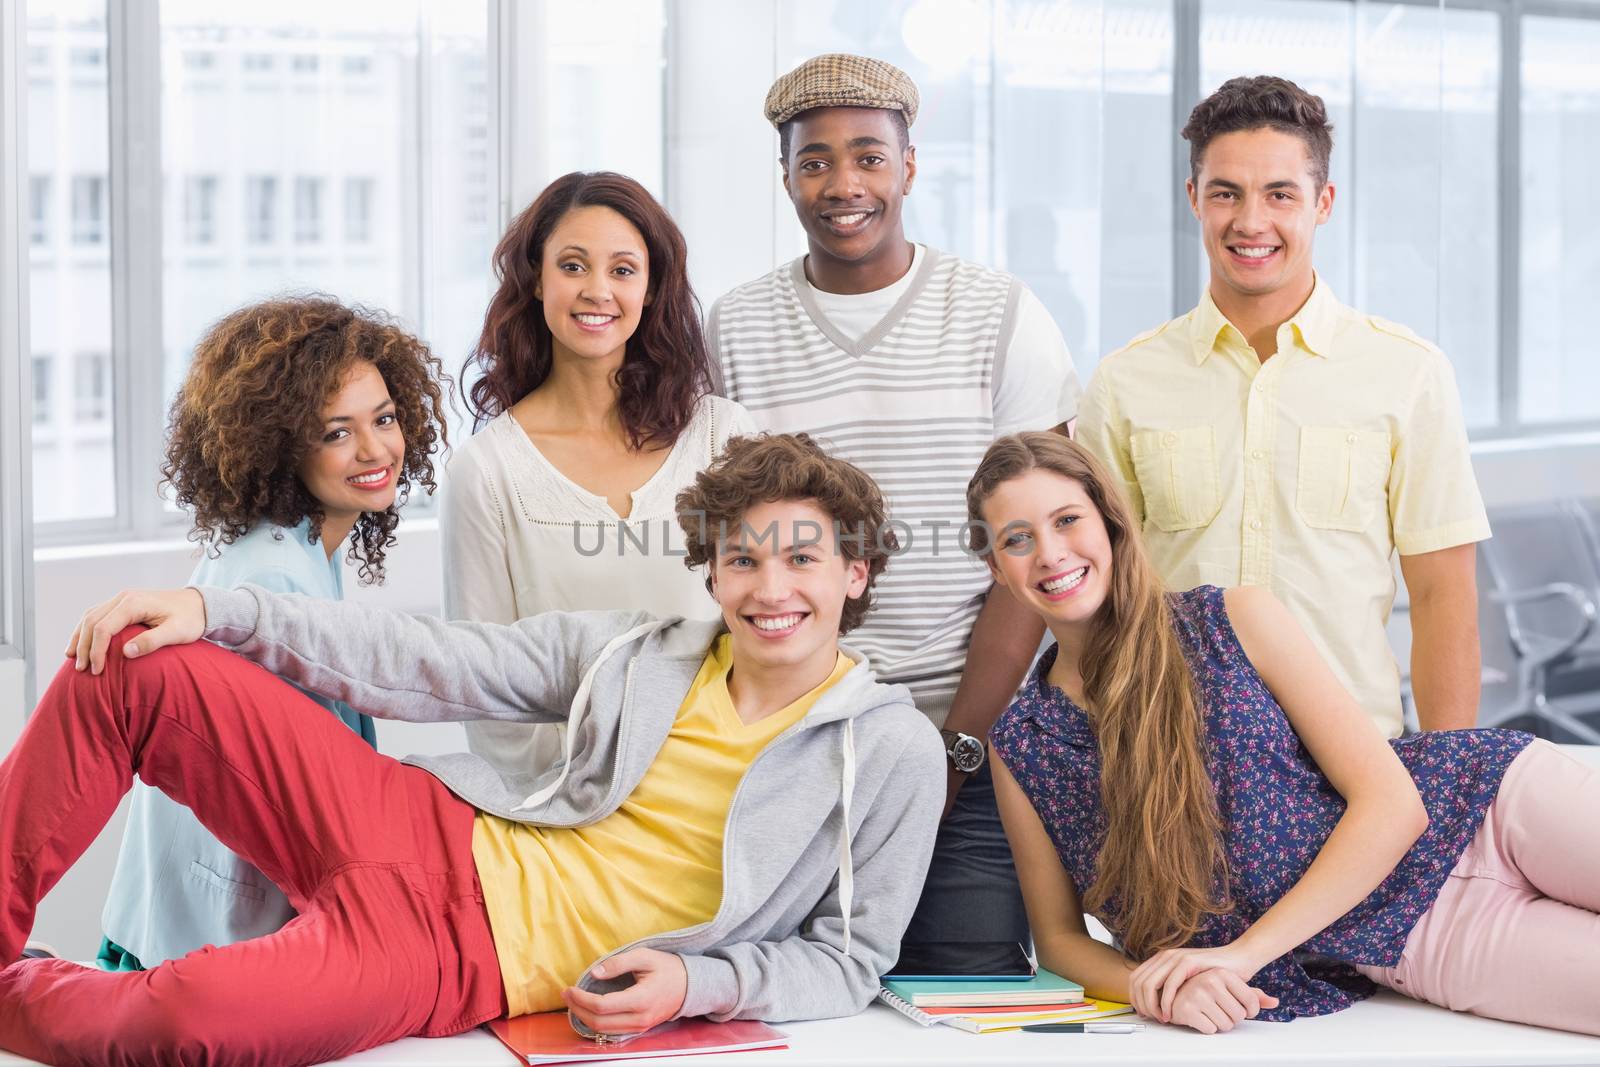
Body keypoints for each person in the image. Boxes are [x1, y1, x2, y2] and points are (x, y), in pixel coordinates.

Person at [0, 433, 943, 1067]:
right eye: (743, 557)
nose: (770, 586)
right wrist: (219, 609)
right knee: (132, 662)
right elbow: (434, 659)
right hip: (416, 822)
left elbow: (851, 958)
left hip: (457, 954)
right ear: (711, 570)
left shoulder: (891, 744)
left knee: (187, 1020)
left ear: (855, 572)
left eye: (802, 557)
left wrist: (701, 981)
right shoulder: (641, 652)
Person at [967, 431, 1599, 1037]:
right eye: (1018, 539)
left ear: (1110, 521)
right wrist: (1158, 986)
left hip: (1488, 802)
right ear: (996, 567)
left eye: (1067, 520)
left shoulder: (1231, 619)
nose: (1050, 553)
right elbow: (1059, 942)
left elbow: (1392, 802)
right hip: (1412, 939)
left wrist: (1241, 956)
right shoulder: (1023, 743)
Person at [708, 52, 1080, 968]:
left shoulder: (998, 312)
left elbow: (1037, 562)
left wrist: (953, 751)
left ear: (909, 166)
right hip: (796, 751)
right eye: (815, 160)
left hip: (975, 741)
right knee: (788, 997)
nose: (844, 184)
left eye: (870, 156)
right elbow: (742, 555)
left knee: (969, 992)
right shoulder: (736, 326)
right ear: (786, 176)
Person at [1076, 75, 1488, 737]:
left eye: (1280, 194)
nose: (1251, 221)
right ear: (1194, 200)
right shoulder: (1125, 382)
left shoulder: (1408, 374)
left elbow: (1444, 597)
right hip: (1175, 759)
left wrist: (1444, 786)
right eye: (1226, 193)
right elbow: (1099, 599)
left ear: (1323, 202)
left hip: (1358, 769)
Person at [97, 297, 449, 972]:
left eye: (384, 418)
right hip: (211, 948)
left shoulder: (298, 545)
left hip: (170, 924)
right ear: (282, 445)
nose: (376, 449)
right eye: (336, 432)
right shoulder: (277, 574)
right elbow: (305, 792)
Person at [446, 171, 754, 780]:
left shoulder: (725, 437)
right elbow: (482, 683)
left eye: (622, 269)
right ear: (536, 279)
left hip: (719, 787)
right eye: (573, 266)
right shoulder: (486, 470)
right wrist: (575, 803)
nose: (597, 291)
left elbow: (766, 629)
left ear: (651, 287)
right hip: (562, 814)